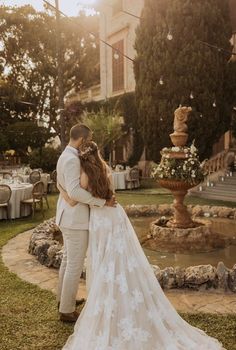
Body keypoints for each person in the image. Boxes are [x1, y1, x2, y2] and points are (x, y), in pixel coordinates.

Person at [60, 141, 225, 350]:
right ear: (97, 153)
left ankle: (106, 299)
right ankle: (124, 294)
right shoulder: (106, 168)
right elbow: (109, 191)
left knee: (102, 257)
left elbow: (79, 194)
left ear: (83, 158)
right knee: (121, 257)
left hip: (100, 219)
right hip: (114, 215)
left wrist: (63, 189)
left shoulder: (85, 173)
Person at [56, 124, 116, 323]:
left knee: (67, 260)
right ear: (82, 140)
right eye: (88, 139)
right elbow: (75, 192)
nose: (89, 143)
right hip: (75, 220)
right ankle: (66, 310)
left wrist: (66, 194)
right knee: (74, 264)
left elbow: (60, 183)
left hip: (66, 216)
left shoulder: (64, 155)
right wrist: (102, 202)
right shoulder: (72, 159)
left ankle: (63, 299)